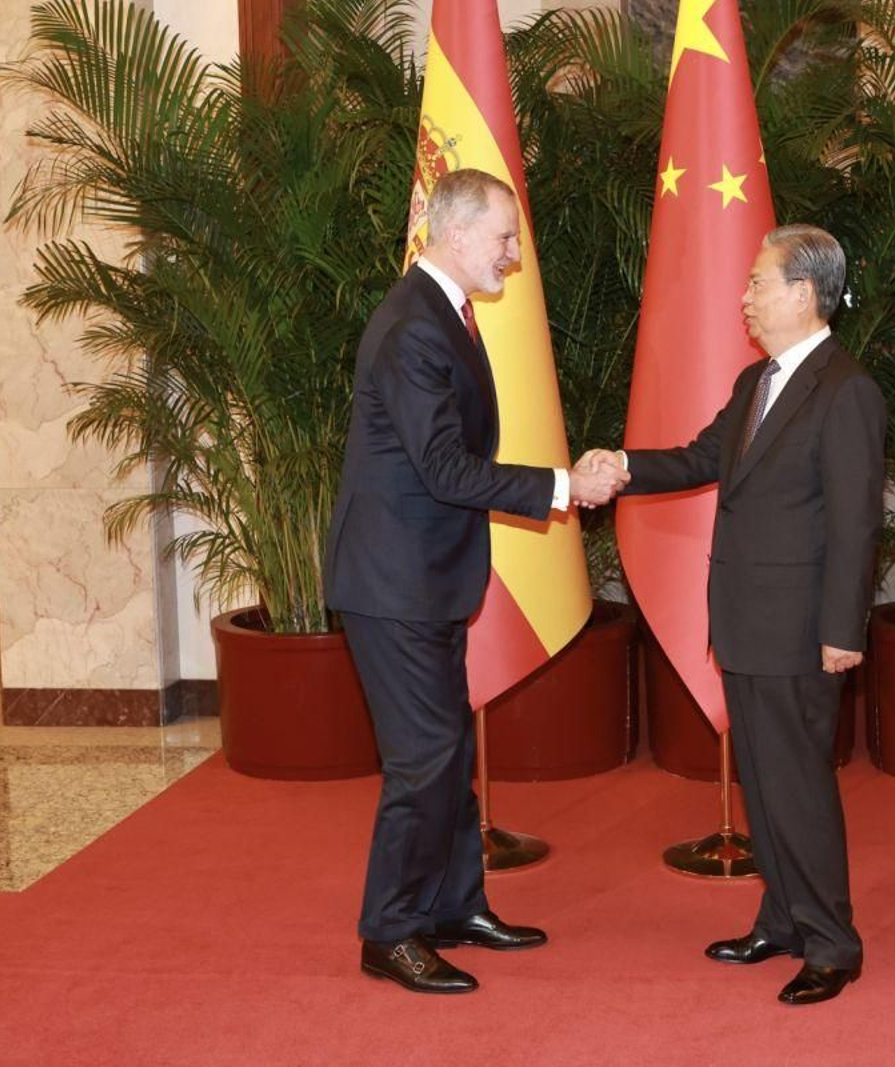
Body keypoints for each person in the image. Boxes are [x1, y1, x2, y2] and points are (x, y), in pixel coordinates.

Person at [324, 168, 627, 995]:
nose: (514, 254)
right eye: (504, 237)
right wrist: (564, 487)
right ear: (455, 235)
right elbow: (448, 468)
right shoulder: (413, 327)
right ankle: (389, 931)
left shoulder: (441, 312)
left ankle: (454, 903)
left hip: (425, 576)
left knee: (448, 747)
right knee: (423, 759)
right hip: (392, 584)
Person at [580, 224, 886, 1006]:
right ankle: (781, 917)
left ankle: (832, 940)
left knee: (800, 785)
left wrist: (842, 632)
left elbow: (855, 524)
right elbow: (697, 457)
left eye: (757, 282)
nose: (745, 297)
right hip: (746, 619)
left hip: (801, 630)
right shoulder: (758, 383)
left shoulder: (846, 389)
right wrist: (623, 466)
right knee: (764, 781)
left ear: (803, 294)